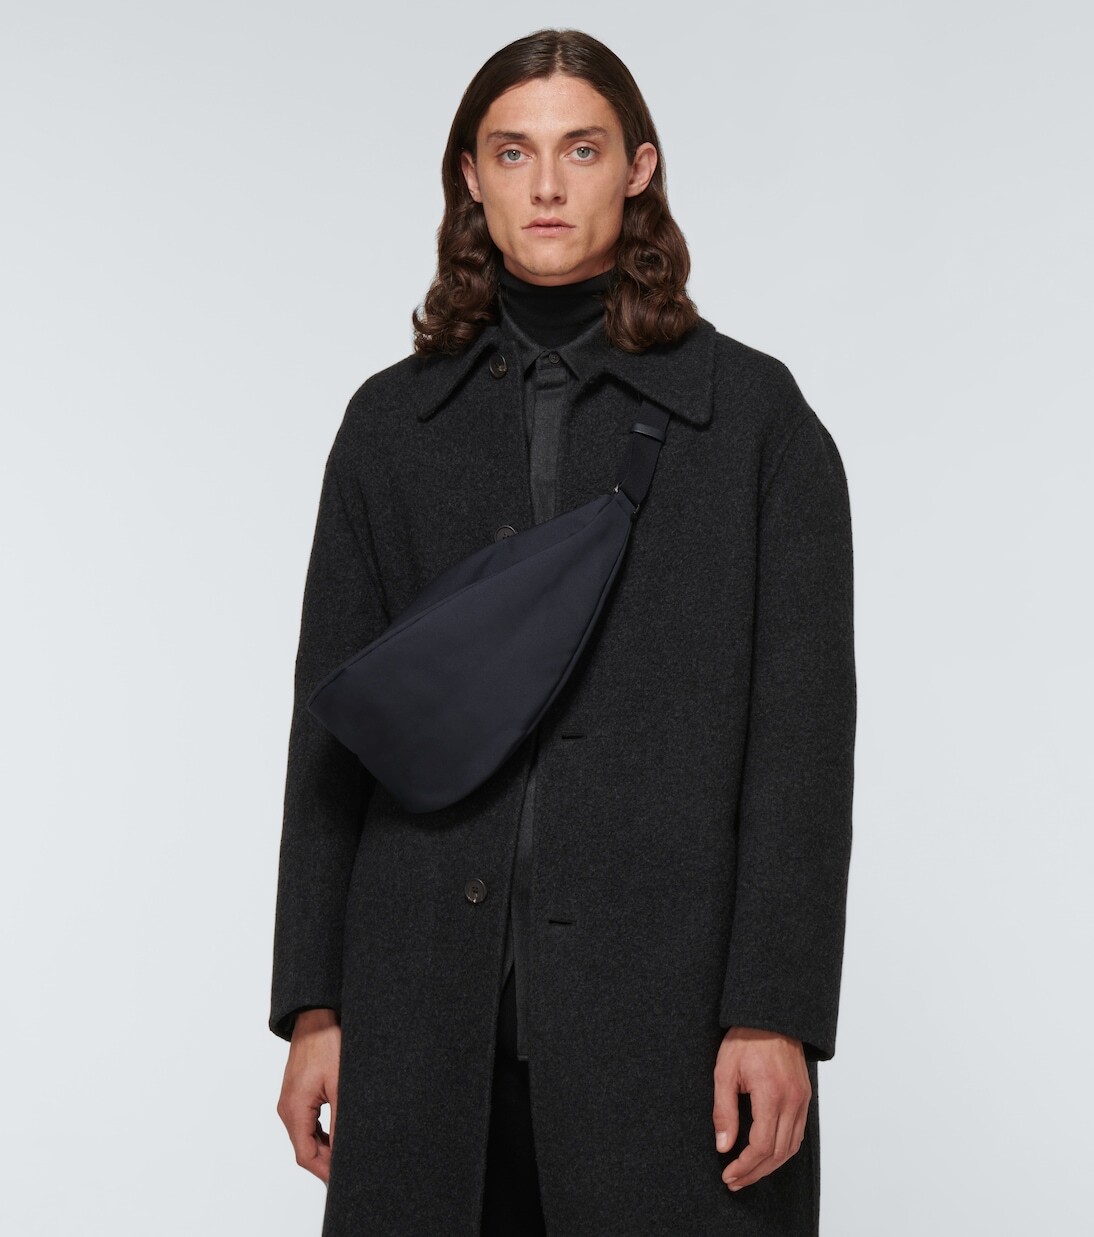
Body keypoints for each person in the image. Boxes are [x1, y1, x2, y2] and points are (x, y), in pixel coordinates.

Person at [270, 27, 856, 1237]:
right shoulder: (389, 428)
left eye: (580, 150)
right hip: (423, 1009)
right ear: (469, 177)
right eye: (512, 152)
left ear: (636, 169)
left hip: (671, 1015)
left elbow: (801, 747)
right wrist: (316, 1006)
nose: (545, 185)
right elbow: (332, 733)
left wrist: (773, 1011)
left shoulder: (752, 422)